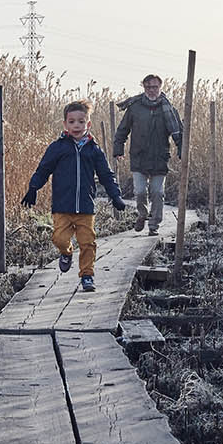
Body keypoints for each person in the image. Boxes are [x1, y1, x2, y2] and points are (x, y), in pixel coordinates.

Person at [22, 100, 124, 292]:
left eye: (81, 121)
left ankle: (87, 275)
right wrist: (33, 188)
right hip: (62, 205)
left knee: (87, 242)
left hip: (86, 206)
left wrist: (115, 196)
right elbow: (44, 169)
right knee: (59, 238)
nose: (76, 125)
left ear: (88, 124)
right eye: (72, 122)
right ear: (65, 124)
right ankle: (66, 253)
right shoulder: (57, 148)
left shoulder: (94, 150)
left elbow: (106, 175)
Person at [112, 73, 183, 235]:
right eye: (148, 87)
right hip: (139, 157)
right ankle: (142, 214)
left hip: (160, 158)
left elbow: (178, 132)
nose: (151, 90)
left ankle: (153, 225)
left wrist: (181, 150)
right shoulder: (134, 107)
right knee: (140, 192)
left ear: (160, 87)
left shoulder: (169, 109)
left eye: (155, 87)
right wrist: (118, 149)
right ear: (143, 87)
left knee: (157, 192)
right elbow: (123, 130)